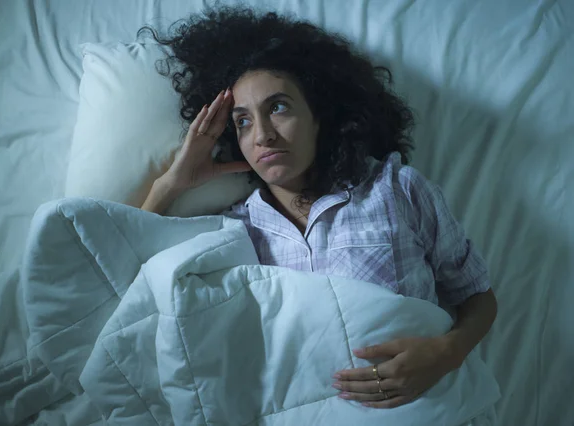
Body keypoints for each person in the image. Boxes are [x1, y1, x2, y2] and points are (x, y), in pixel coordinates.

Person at [139, 5, 498, 412]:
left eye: (278, 107)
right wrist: (173, 182)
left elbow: (478, 296)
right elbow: (130, 264)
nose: (263, 136)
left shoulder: (396, 190)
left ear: (319, 116)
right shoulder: (236, 229)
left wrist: (447, 353)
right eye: (242, 121)